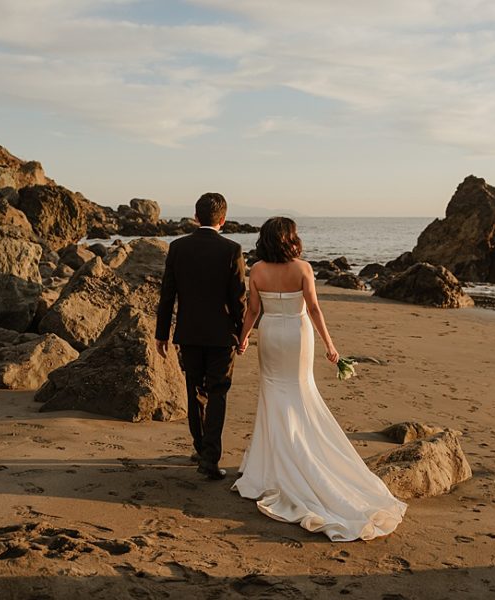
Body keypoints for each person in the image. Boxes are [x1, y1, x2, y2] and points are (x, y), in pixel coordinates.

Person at [231, 217, 407, 541]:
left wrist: (243, 338)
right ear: (290, 238)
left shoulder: (256, 270)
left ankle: (271, 465)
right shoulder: (303, 269)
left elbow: (252, 311)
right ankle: (300, 453)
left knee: (272, 393)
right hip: (298, 335)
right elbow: (313, 309)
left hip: (270, 335)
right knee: (300, 391)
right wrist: (330, 344)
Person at [155, 193, 246, 480]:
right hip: (221, 335)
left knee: (195, 390)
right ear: (223, 219)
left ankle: (200, 447)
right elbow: (238, 298)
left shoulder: (178, 248)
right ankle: (210, 457)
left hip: (189, 332)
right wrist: (243, 332)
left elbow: (168, 293)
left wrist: (162, 334)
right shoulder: (232, 249)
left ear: (196, 217)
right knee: (217, 392)